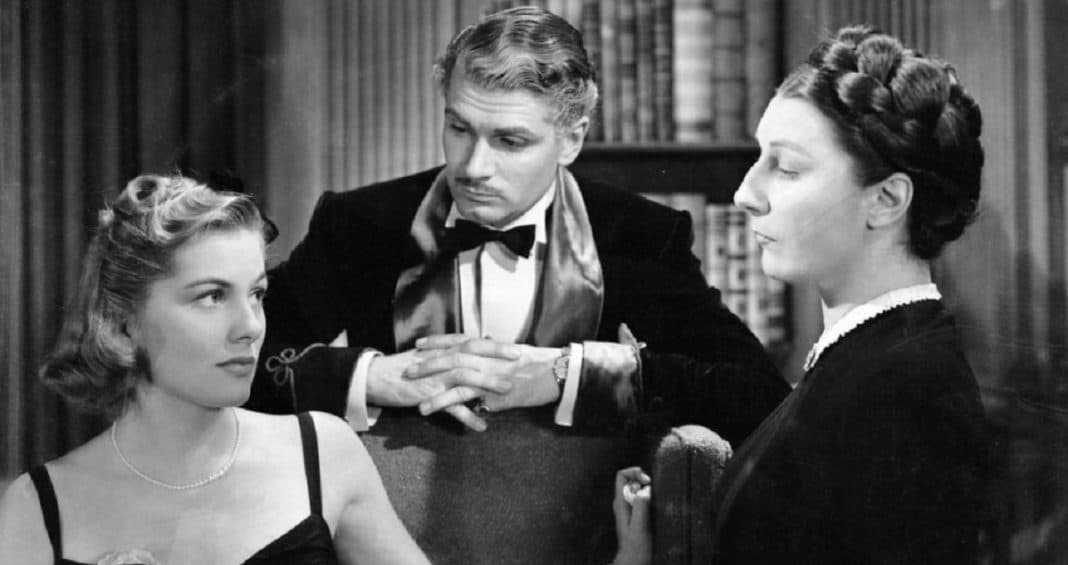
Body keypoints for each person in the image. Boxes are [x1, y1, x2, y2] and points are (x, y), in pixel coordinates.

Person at [0, 174, 652, 565]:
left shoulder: (321, 452)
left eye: (257, 294)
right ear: (122, 326)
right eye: (210, 297)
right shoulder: (37, 509)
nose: (250, 327)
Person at [247, 6, 789, 444]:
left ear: (571, 139)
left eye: (509, 141)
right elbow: (242, 369)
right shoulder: (358, 224)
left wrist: (566, 374)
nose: (473, 167)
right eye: (459, 128)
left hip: (582, 534)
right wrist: (369, 377)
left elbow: (758, 396)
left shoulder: (641, 235)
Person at [665, 26, 990, 565]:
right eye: (759, 158)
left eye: (786, 168)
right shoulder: (865, 358)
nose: (745, 194)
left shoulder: (906, 387)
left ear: (887, 199)